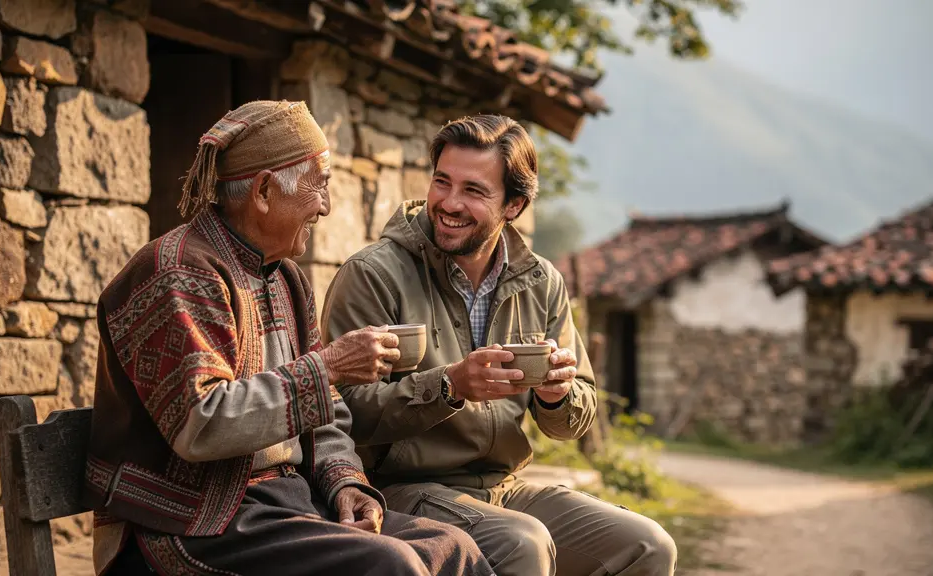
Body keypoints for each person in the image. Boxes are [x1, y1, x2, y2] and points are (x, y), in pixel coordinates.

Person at [81, 100, 493, 576]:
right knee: (390, 565)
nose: (326, 205)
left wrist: (345, 484)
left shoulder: (286, 279)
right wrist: (331, 366)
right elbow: (201, 424)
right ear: (263, 190)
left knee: (453, 547)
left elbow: (327, 416)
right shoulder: (176, 272)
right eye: (319, 184)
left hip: (282, 504)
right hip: (187, 524)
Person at [321, 114, 678, 576]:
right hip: (400, 490)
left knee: (649, 546)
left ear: (514, 205)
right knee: (521, 543)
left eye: (473, 190)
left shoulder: (541, 281)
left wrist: (557, 396)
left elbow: (576, 417)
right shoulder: (373, 274)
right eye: (441, 182)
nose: (449, 203)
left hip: (504, 487)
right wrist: (450, 385)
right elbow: (342, 413)